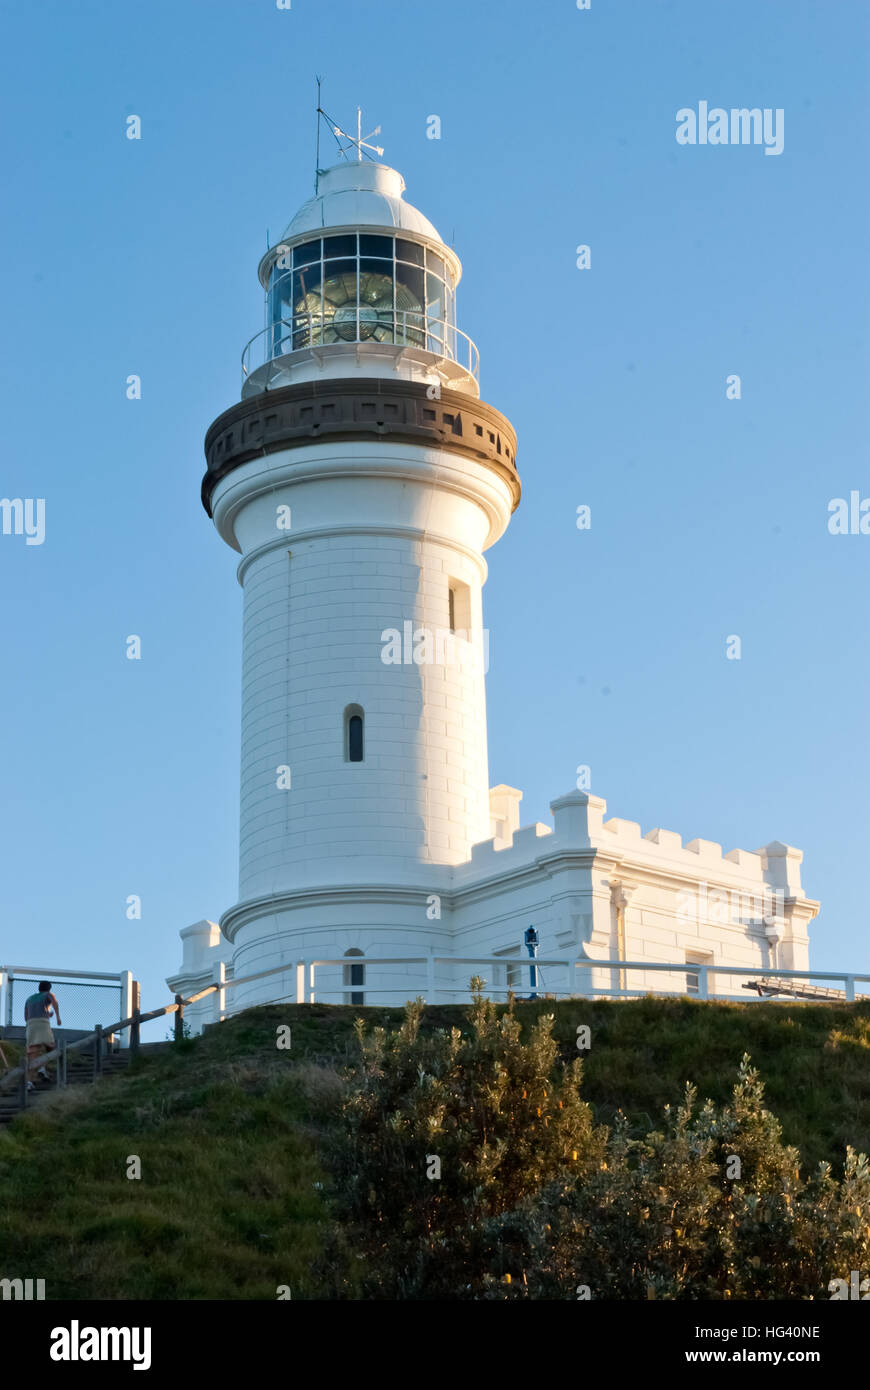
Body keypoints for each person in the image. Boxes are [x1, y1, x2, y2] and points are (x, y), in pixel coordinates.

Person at [24, 982, 61, 1089]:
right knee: (51, 1047)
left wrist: (45, 1014)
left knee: (32, 1053)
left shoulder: (29, 998)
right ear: (49, 989)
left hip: (30, 1025)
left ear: (39, 988)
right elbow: (55, 1002)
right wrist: (58, 1017)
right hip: (43, 1024)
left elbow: (26, 1016)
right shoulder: (48, 995)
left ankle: (29, 1082)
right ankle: (41, 1068)